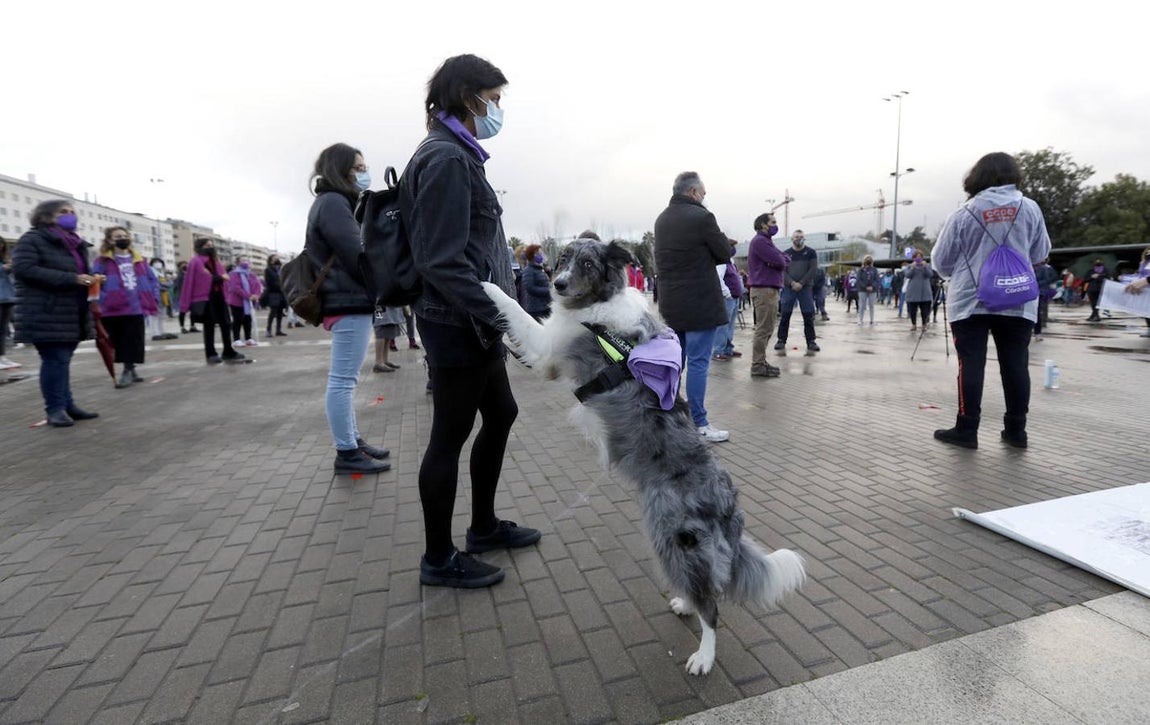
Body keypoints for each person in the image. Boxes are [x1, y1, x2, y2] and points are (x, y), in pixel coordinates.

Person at [399, 54, 541, 589]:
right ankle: (438, 557)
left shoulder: (460, 154)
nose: (498, 109)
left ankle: (483, 526)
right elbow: (441, 260)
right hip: (457, 322)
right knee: (449, 436)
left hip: (474, 322)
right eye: (494, 99)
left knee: (501, 412)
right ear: (469, 96)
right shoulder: (445, 159)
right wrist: (504, 319)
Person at [930, 151, 1051, 449]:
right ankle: (1016, 432)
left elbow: (941, 263)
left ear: (977, 177)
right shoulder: (1030, 208)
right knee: (1015, 364)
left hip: (970, 302)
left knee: (971, 364)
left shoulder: (963, 213)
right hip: (1018, 299)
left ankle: (966, 430)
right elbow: (1040, 253)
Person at [305, 143, 392, 475]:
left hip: (347, 300)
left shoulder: (333, 203)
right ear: (338, 170)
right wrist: (386, 280)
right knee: (342, 381)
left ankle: (353, 441)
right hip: (347, 300)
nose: (364, 172)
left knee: (346, 380)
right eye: (358, 167)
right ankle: (346, 452)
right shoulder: (333, 203)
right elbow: (356, 254)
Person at [654, 171, 732, 442]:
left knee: (676, 363)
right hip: (700, 303)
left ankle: (668, 418)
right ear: (693, 192)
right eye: (704, 194)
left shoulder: (661, 219)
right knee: (699, 363)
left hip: (672, 305)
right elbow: (724, 253)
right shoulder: (702, 217)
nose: (704, 198)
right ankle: (700, 422)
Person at [11, 199, 101, 427]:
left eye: (72, 212)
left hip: (71, 311)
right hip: (46, 310)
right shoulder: (32, 239)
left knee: (62, 360)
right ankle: (55, 409)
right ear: (45, 216)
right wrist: (73, 279)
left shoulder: (76, 244)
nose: (70, 215)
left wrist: (92, 280)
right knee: (55, 359)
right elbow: (24, 269)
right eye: (63, 212)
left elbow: (78, 273)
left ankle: (67, 404)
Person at [91, 227, 160, 388]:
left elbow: (152, 280)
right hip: (112, 308)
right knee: (117, 341)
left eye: (125, 236)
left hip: (136, 307)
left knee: (133, 340)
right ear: (109, 240)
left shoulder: (140, 259)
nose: (122, 239)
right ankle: (130, 369)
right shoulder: (102, 261)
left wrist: (153, 297)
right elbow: (95, 282)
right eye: (117, 236)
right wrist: (104, 298)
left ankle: (128, 370)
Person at [179, 237, 246, 365]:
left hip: (219, 295)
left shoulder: (216, 261)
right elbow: (200, 279)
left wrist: (220, 279)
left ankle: (228, 351)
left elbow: (222, 277)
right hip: (206, 297)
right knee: (209, 325)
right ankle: (211, 353)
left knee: (226, 323)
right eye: (206, 245)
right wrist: (220, 278)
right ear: (199, 247)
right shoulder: (196, 261)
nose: (210, 247)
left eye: (211, 245)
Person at [746, 213, 784, 378]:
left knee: (767, 328)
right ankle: (757, 365)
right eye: (773, 222)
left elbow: (781, 259)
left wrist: (779, 260)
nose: (776, 225)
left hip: (768, 289)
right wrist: (779, 261)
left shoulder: (767, 241)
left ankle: (761, 362)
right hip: (764, 290)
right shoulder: (760, 241)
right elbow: (781, 261)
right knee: (763, 329)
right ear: (763, 225)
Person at [774, 229, 820, 354]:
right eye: (796, 237)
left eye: (800, 237)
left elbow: (813, 270)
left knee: (808, 315)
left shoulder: (811, 253)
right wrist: (792, 283)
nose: (798, 239)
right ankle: (781, 340)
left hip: (805, 288)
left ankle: (811, 341)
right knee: (785, 314)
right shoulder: (786, 254)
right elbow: (782, 271)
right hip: (789, 288)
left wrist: (801, 283)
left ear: (804, 238)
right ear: (792, 239)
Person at [712, 239, 743, 361]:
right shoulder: (721, 262)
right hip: (727, 298)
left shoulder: (730, 261)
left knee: (730, 326)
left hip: (734, 298)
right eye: (731, 246)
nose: (733, 248)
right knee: (723, 326)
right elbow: (718, 278)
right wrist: (727, 293)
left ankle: (728, 349)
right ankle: (718, 351)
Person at [226, 257, 263, 347]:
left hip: (249, 302)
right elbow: (236, 287)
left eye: (247, 260)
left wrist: (256, 295)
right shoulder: (234, 274)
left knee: (248, 320)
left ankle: (248, 338)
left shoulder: (251, 274)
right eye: (243, 260)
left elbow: (257, 285)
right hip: (236, 301)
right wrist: (248, 295)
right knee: (237, 320)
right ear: (238, 263)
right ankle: (236, 339)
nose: (246, 262)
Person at [0, 238, 19, 370]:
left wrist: (11, 266)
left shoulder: (6, 257)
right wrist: (3, 268)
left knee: (3, 330)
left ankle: (2, 358)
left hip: (8, 297)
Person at [520, 243, 552, 321]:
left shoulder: (539, 269)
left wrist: (549, 271)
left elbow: (547, 281)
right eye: (539, 253)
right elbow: (530, 288)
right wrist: (548, 291)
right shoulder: (528, 270)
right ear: (533, 255)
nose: (541, 255)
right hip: (536, 309)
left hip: (545, 306)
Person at [904, 250, 933, 330]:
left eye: (920, 257)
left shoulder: (927, 266)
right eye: (916, 257)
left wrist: (925, 267)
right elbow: (907, 275)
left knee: (925, 311)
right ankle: (914, 324)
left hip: (925, 292)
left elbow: (930, 275)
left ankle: (924, 324)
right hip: (913, 292)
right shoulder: (910, 266)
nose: (918, 259)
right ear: (913, 258)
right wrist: (913, 268)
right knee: (913, 310)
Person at [372, 305, 405, 372]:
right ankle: (378, 362)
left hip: (389, 304)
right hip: (379, 305)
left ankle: (384, 360)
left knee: (388, 331)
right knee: (380, 326)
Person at [263, 254, 288, 337]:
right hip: (273, 293)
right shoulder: (268, 270)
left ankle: (278, 330)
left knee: (280, 313)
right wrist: (280, 286)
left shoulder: (280, 269)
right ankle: (268, 330)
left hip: (281, 294)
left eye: (277, 258)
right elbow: (269, 282)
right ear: (270, 260)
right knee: (272, 313)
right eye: (274, 258)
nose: (277, 259)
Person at [1033, 257, 1057, 341]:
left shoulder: (1044, 268)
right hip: (1028, 292)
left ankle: (1038, 332)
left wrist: (1035, 284)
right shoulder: (1028, 266)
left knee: (1037, 312)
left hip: (1040, 292)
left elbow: (1047, 280)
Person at [856, 256, 880, 325]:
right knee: (862, 305)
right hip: (862, 290)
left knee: (871, 305)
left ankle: (872, 320)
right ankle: (860, 320)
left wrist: (872, 286)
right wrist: (865, 287)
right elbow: (859, 280)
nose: (868, 261)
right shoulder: (861, 270)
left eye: (870, 259)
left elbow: (877, 279)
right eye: (867, 259)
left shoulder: (874, 270)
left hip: (872, 290)